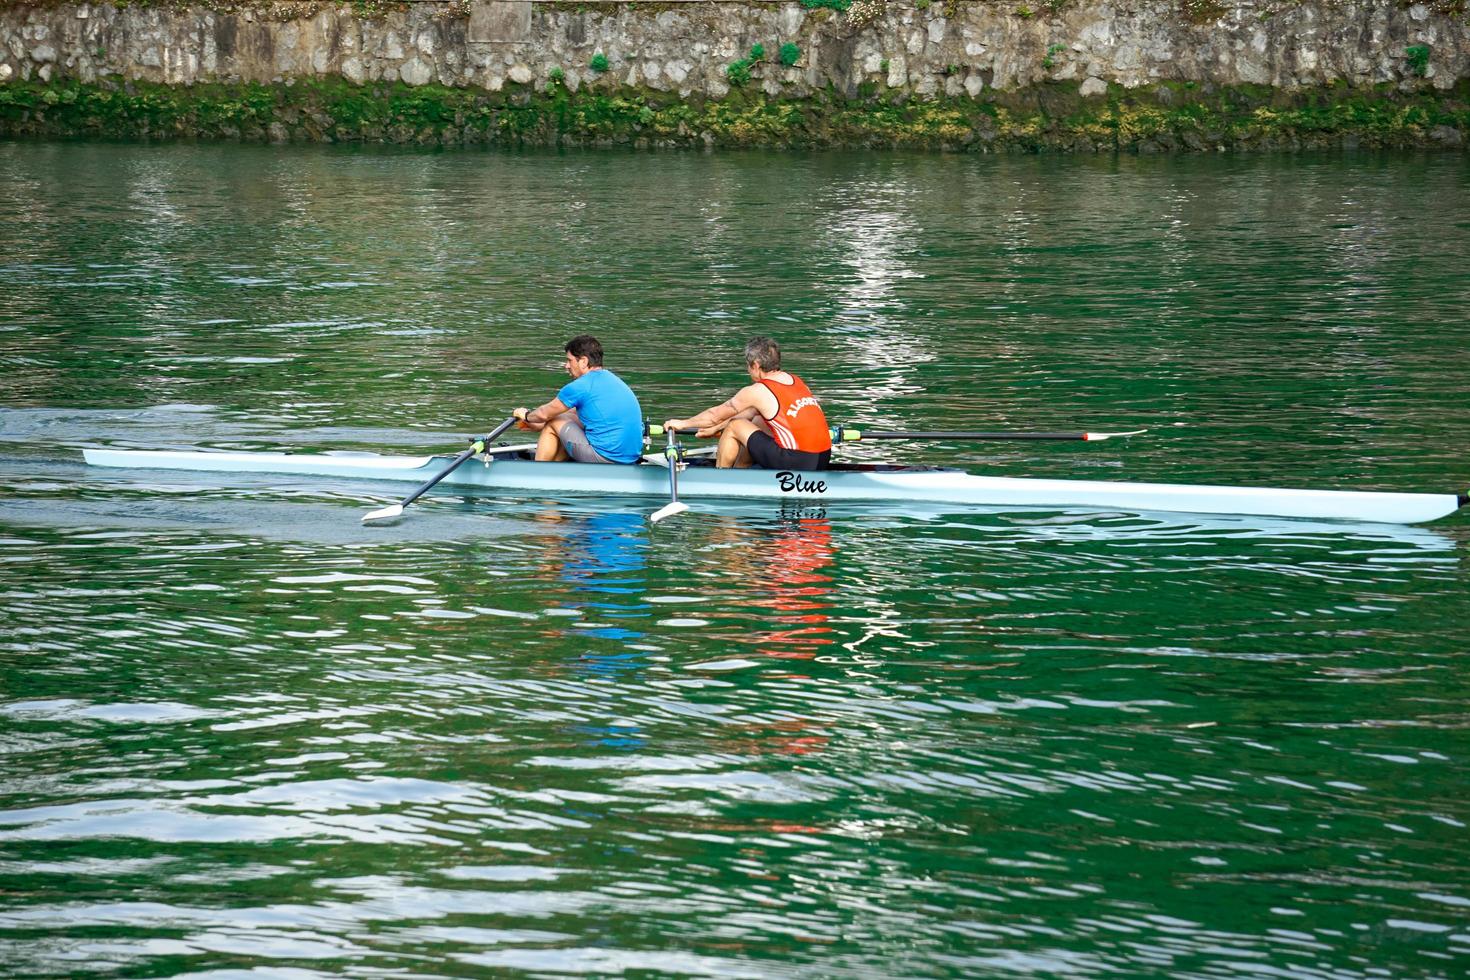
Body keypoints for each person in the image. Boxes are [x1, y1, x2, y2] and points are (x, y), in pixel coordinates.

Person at [663, 336, 831, 470]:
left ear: (756, 365)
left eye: (748, 366)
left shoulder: (758, 390)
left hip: (798, 462)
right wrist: (715, 429)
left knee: (735, 426)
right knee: (758, 421)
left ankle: (722, 479)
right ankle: (742, 469)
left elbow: (715, 415)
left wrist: (681, 423)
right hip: (822, 458)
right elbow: (748, 414)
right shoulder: (797, 381)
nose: (748, 370)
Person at [513, 335, 644, 464]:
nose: (566, 366)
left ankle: (537, 473)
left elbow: (543, 413)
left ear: (583, 362)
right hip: (630, 456)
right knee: (562, 417)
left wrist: (526, 415)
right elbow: (570, 413)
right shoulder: (612, 380)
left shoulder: (580, 386)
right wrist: (540, 424)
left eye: (569, 361)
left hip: (606, 457)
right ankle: (556, 465)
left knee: (554, 422)